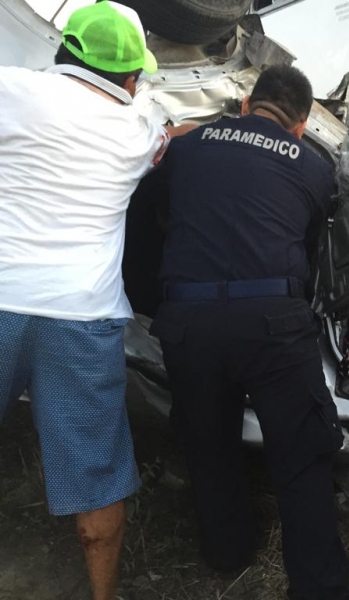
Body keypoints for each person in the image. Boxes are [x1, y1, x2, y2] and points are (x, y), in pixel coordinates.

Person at [0, 3, 188, 599]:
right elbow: (174, 138)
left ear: (64, 50)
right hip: (81, 318)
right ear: (132, 78)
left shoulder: (12, 88)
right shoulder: (139, 128)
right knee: (96, 473)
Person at [149, 65, 349, 599]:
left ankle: (226, 551)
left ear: (245, 104)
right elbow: (311, 247)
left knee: (207, 442)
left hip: (188, 321)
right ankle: (320, 589)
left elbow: (158, 212)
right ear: (302, 126)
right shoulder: (312, 167)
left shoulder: (188, 148)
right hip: (271, 324)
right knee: (302, 453)